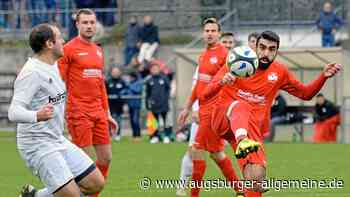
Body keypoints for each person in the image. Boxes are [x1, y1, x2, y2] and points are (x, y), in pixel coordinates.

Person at [201, 30, 341, 196]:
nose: (266, 53)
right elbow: (205, 95)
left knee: (256, 179)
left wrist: (323, 76)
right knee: (242, 106)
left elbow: (306, 94)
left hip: (249, 128)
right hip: (223, 119)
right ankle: (242, 141)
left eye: (271, 49)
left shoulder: (279, 72)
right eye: (262, 47)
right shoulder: (237, 62)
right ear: (256, 47)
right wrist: (222, 82)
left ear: (276, 51)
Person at [8, 23, 105, 197]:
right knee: (72, 196)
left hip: (56, 139)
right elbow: (13, 112)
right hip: (37, 145)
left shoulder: (54, 65)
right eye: (59, 37)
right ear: (49, 44)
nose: (63, 41)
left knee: (95, 183)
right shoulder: (32, 72)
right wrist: (36, 115)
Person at [178, 17, 242, 197]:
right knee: (216, 153)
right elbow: (199, 85)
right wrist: (188, 107)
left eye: (213, 31)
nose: (210, 34)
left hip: (213, 111)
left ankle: (193, 194)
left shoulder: (224, 56)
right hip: (203, 109)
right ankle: (240, 190)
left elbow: (228, 86)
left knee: (197, 150)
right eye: (207, 31)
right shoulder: (203, 55)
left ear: (218, 34)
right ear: (202, 33)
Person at [58, 9, 118, 197]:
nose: (89, 26)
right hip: (78, 112)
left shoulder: (98, 50)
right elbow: (59, 82)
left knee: (106, 158)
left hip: (98, 112)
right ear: (77, 24)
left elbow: (100, 85)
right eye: (85, 22)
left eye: (92, 22)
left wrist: (107, 113)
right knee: (85, 164)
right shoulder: (68, 49)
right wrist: (61, 113)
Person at [145, 63, 172, 144]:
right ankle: (155, 136)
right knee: (154, 122)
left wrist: (165, 99)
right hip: (154, 105)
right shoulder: (149, 80)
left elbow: (168, 89)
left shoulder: (164, 78)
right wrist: (147, 103)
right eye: (153, 69)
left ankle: (166, 136)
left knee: (165, 121)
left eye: (156, 69)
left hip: (164, 104)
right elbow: (147, 93)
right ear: (150, 70)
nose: (155, 70)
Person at [106, 66, 127, 141]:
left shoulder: (122, 82)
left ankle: (118, 134)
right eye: (114, 72)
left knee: (118, 120)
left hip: (119, 105)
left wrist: (124, 102)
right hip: (110, 105)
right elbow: (105, 92)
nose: (115, 73)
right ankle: (109, 135)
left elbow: (126, 91)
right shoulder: (108, 81)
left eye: (117, 72)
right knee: (109, 120)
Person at [125, 71, 143, 142]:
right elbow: (126, 91)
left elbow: (137, 90)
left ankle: (138, 135)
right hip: (130, 104)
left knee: (136, 120)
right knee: (132, 121)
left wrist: (129, 86)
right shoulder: (130, 83)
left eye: (131, 77)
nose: (130, 78)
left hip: (136, 105)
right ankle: (134, 135)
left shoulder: (138, 83)